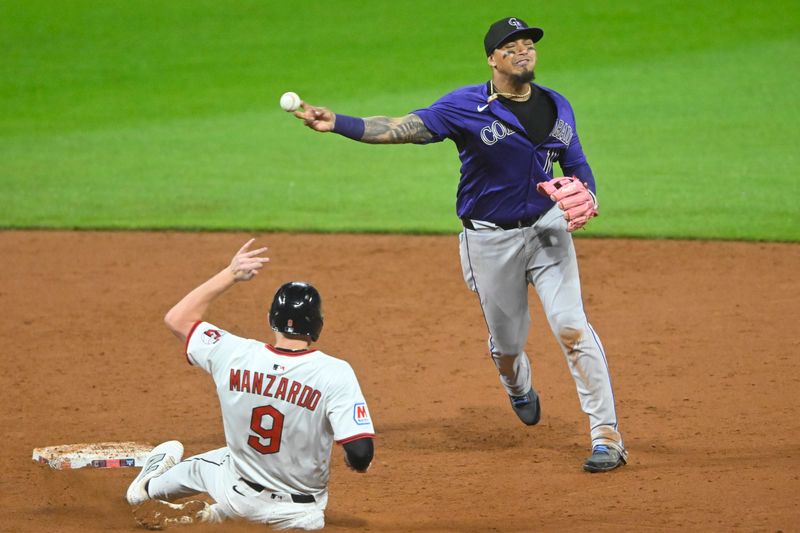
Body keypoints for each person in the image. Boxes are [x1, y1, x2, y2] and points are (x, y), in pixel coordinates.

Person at [292, 16, 626, 472]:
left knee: (571, 327)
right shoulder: (464, 106)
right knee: (508, 345)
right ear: (492, 58)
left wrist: (588, 192)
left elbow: (576, 162)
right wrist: (339, 123)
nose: (524, 50)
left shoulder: (556, 105)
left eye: (529, 43)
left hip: (548, 231)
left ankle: (606, 435)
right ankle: (516, 383)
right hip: (490, 240)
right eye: (512, 45)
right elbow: (401, 126)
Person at [126, 239, 376, 530]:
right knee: (229, 464)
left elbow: (177, 318)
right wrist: (357, 462)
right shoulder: (335, 373)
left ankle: (147, 490)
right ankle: (213, 516)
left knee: (205, 465)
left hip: (238, 493)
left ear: (271, 319)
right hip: (302, 518)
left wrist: (231, 273)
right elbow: (360, 453)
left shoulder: (233, 353)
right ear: (318, 325)